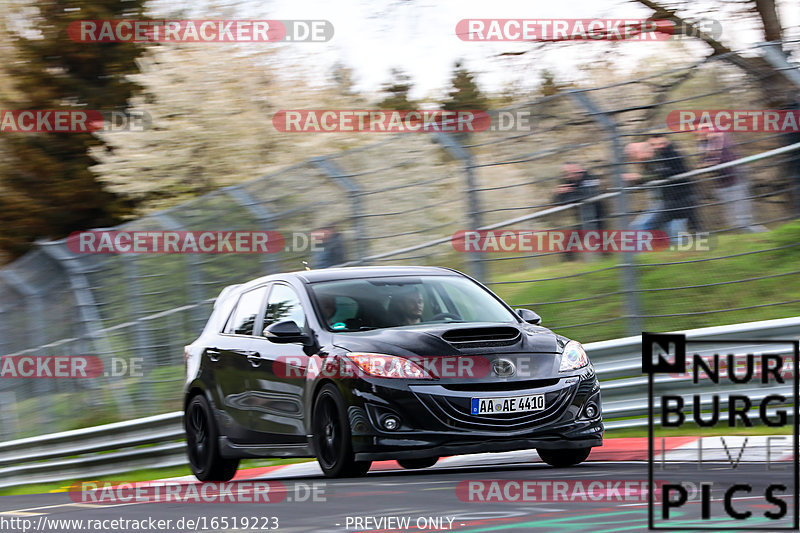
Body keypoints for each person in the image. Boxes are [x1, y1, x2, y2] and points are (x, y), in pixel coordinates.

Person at [625, 136, 702, 240]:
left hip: (675, 198)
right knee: (675, 228)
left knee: (649, 226)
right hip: (670, 199)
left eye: (634, 154)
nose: (655, 147)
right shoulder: (650, 160)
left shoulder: (665, 156)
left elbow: (660, 175)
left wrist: (639, 177)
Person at [695, 125, 766, 232]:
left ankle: (764, 236)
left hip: (736, 179)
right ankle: (751, 239)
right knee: (734, 221)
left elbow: (720, 159)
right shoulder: (704, 143)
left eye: (701, 129)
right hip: (723, 183)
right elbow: (703, 161)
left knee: (743, 220)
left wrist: (706, 163)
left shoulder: (720, 138)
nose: (698, 132)